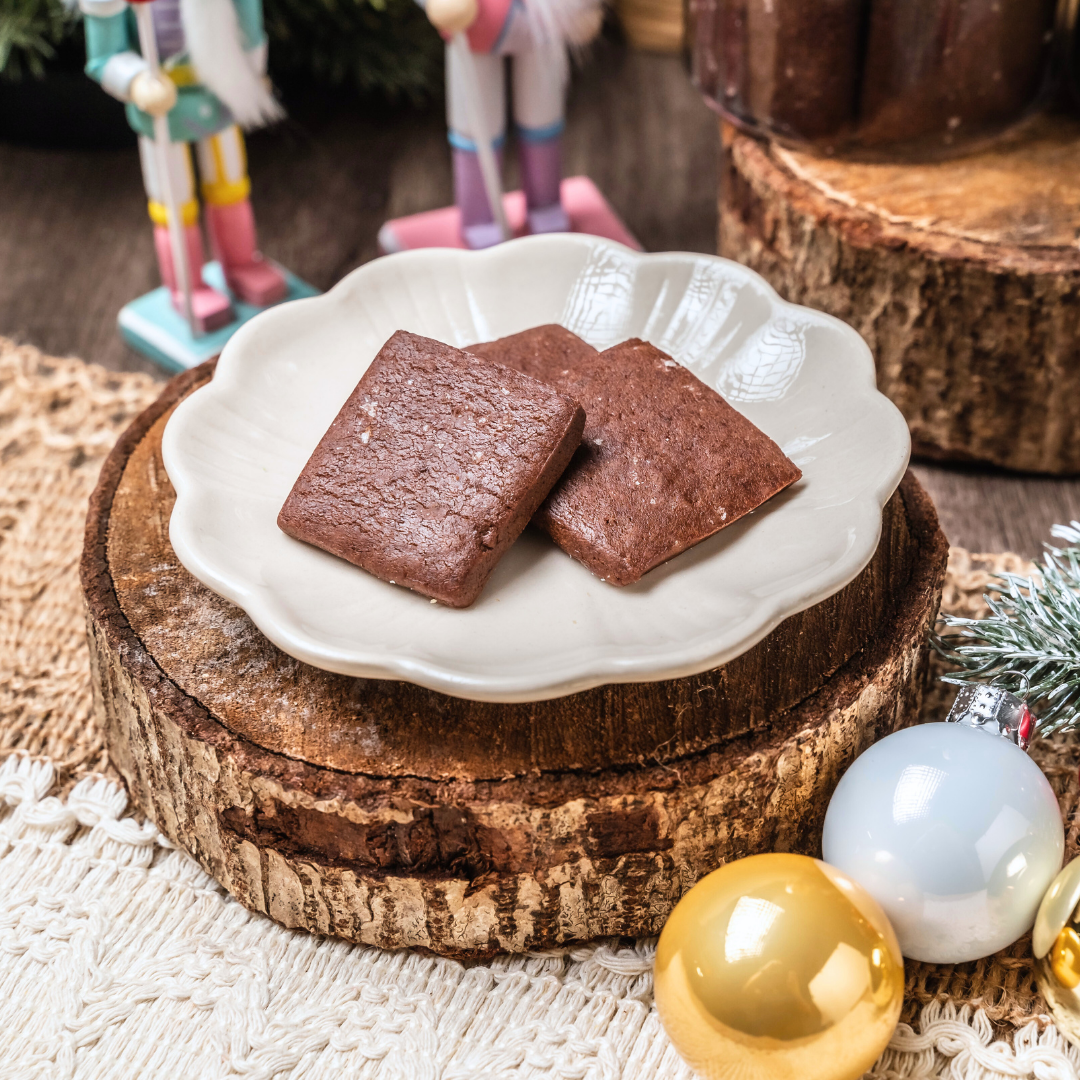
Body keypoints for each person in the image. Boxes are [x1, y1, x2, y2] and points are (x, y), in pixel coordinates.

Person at [81, 0, 287, 331]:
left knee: (230, 185)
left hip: (220, 96)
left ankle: (242, 263)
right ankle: (187, 287)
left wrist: (252, 68)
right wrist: (136, 82)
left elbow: (247, 22)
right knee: (173, 204)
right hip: (161, 112)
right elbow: (103, 56)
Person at [423, 0, 603, 249]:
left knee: (543, 117)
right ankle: (480, 221)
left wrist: (580, 12)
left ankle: (546, 207)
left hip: (542, 26)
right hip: (474, 29)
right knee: (476, 128)